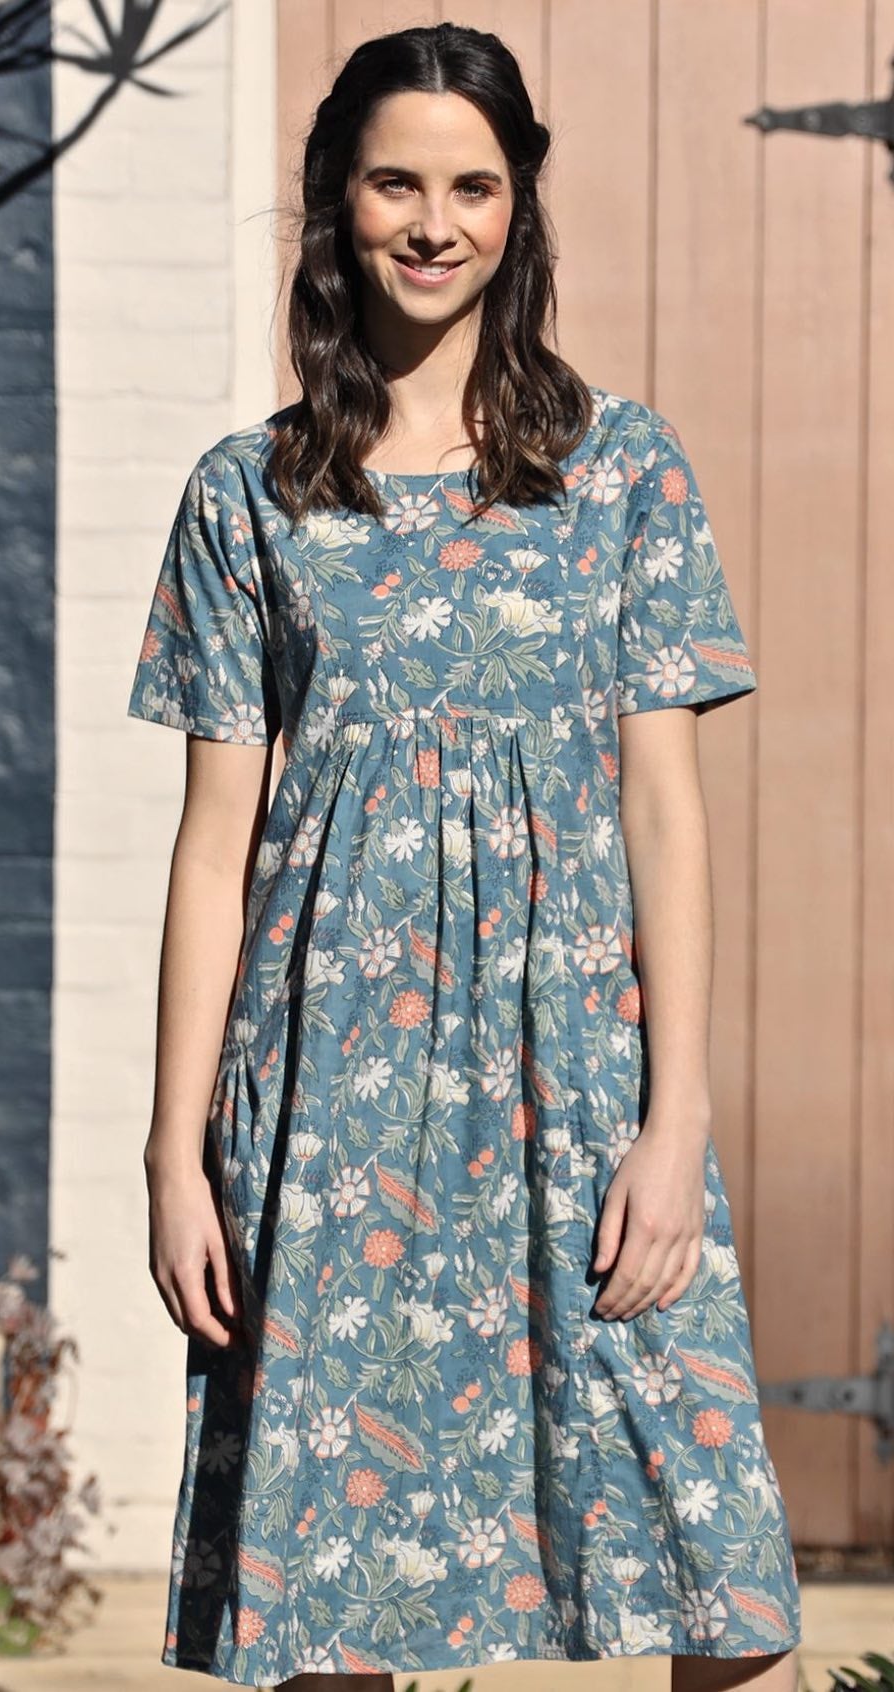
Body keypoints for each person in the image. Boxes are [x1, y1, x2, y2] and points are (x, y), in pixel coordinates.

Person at [126, 21, 802, 1692]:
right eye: (396, 182)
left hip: (577, 1077)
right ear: (335, 203)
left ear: (521, 210)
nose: (435, 222)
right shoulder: (251, 497)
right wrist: (172, 1150)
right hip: (335, 1101)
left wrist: (679, 1113)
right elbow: (218, 848)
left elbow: (666, 807)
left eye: (473, 186)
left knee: (725, 1587)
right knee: (346, 1602)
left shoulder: (623, 472)